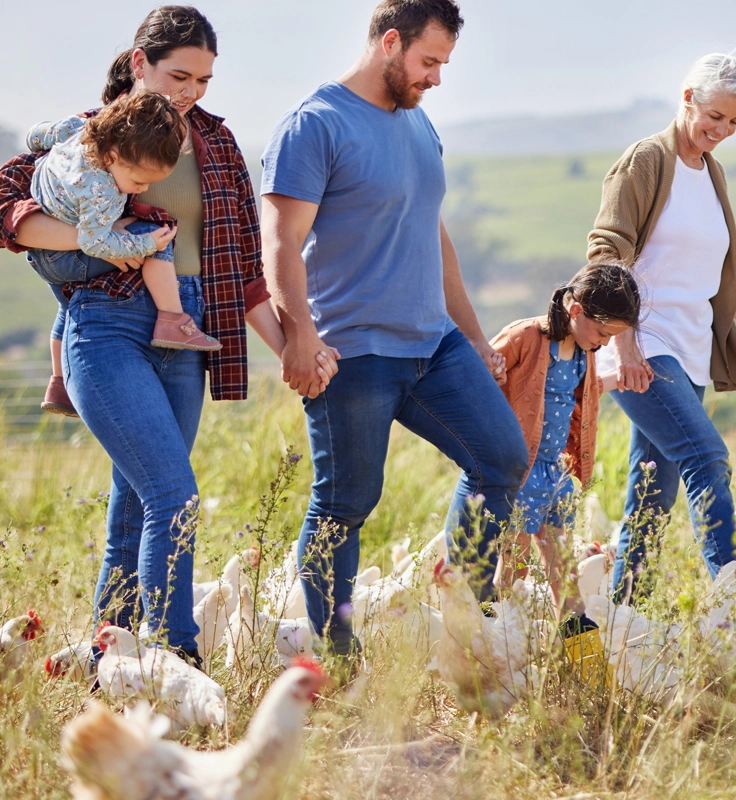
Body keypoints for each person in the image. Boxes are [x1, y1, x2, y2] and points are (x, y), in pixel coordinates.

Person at [0, 6, 325, 664]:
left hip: (184, 329)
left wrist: (293, 351)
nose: (191, 92)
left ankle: (115, 663)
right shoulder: (91, 137)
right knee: (175, 495)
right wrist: (96, 242)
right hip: (107, 324)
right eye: (178, 75)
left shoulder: (218, 146)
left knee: (137, 505)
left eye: (204, 80)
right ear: (140, 65)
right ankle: (177, 660)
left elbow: (243, 274)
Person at [261, 0, 528, 660]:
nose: (437, 77)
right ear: (389, 43)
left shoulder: (418, 125)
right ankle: (334, 653)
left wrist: (471, 335)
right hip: (353, 351)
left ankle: (467, 619)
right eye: (428, 61)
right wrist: (298, 335)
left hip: (432, 344)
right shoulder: (315, 125)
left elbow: (434, 238)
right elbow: (281, 243)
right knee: (346, 503)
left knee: (502, 459)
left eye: (444, 63)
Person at [586, 54, 736, 630]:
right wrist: (623, 345)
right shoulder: (647, 161)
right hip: (645, 347)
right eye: (715, 115)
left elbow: (700, 276)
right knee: (707, 457)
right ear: (689, 95)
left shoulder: (710, 172)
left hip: (692, 351)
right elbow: (606, 253)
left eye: (734, 123)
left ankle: (620, 621)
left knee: (649, 496)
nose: (721, 131)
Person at [451, 264, 639, 639]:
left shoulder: (584, 352)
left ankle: (577, 643)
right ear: (576, 310)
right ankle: (499, 640)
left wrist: (618, 377)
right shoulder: (527, 336)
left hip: (556, 473)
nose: (603, 343)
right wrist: (494, 372)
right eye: (602, 333)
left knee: (563, 569)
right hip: (521, 473)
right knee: (515, 567)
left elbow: (575, 396)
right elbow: (479, 367)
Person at [24, 90, 222, 353]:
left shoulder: (79, 128)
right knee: (155, 234)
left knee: (65, 308)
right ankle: (173, 321)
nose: (141, 190)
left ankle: (59, 382)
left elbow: (36, 136)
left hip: (44, 249)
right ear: (112, 157)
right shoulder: (100, 190)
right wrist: (145, 244)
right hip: (61, 257)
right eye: (139, 182)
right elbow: (93, 242)